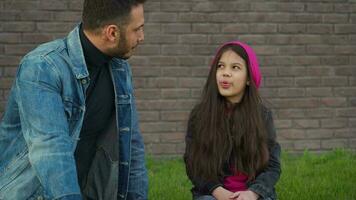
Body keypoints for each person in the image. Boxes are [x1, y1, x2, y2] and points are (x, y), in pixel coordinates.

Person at [0, 0, 148, 199]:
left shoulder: (119, 68)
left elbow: (131, 145)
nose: (142, 37)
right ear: (112, 33)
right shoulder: (42, 67)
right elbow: (51, 149)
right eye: (137, 29)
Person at [184, 41, 281, 200]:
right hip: (212, 195)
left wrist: (253, 193)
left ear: (249, 78)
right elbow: (193, 164)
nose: (225, 73)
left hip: (254, 195)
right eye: (221, 66)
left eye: (235, 67)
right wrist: (217, 190)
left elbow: (273, 166)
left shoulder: (262, 116)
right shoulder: (200, 115)